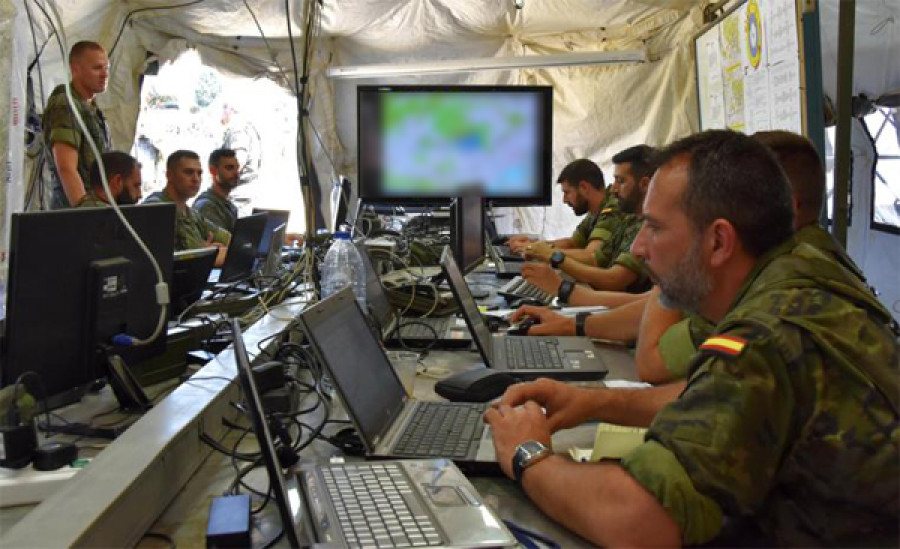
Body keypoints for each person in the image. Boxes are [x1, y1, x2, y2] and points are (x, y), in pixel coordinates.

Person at [485, 130, 899, 547]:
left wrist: (527, 454)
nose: (640, 247)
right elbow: (724, 395)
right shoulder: (790, 280)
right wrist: (596, 402)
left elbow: (636, 521)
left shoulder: (766, 334)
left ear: (718, 241)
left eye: (655, 228)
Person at [522, 145, 653, 293]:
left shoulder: (634, 219)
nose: (614, 189)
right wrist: (539, 248)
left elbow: (612, 278)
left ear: (645, 185)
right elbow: (588, 253)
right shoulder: (629, 220)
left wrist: (553, 257)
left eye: (620, 181)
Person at [505, 159, 621, 266]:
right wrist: (535, 244)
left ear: (584, 187)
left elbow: (591, 256)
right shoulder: (596, 210)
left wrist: (542, 252)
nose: (564, 200)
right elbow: (573, 243)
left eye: (567, 192)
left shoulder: (611, 210)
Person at [42, 41, 111, 209]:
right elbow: (66, 167)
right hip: (73, 212)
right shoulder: (66, 104)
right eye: (97, 68)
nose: (104, 74)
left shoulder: (90, 108)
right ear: (75, 69)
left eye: (106, 68)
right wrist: (84, 212)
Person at [143, 150, 230, 266]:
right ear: (169, 175)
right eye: (189, 172)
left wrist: (206, 251)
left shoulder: (191, 213)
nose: (196, 179)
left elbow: (229, 240)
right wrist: (207, 254)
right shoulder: (156, 209)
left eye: (199, 173)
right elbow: (166, 260)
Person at [192, 148, 240, 231]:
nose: (236, 173)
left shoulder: (230, 206)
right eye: (229, 168)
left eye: (237, 168)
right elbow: (224, 242)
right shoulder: (206, 206)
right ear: (213, 171)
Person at [76, 151, 143, 207]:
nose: (140, 195)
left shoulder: (85, 209)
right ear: (117, 181)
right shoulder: (107, 219)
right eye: (136, 186)